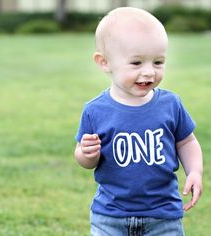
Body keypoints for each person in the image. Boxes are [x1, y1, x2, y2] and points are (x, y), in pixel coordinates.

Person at [74, 7, 203, 236]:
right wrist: (87, 154)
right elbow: (83, 159)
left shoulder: (170, 104)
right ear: (104, 62)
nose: (149, 72)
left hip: (163, 216)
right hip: (110, 216)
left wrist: (194, 171)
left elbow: (187, 142)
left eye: (158, 62)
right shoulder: (95, 110)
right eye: (136, 63)